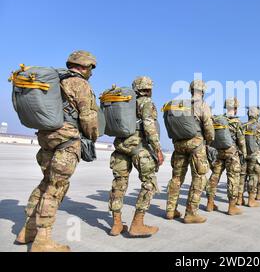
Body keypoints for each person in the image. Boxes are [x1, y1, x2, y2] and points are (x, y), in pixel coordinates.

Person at [16, 50, 99, 252]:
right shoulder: (80, 84)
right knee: (56, 188)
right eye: (91, 68)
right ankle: (42, 241)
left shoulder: (57, 80)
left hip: (47, 139)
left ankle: (28, 230)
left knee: (46, 183)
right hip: (67, 141)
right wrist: (93, 135)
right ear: (86, 67)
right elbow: (88, 117)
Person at [108, 76, 164, 237]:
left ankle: (116, 224)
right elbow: (148, 125)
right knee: (149, 183)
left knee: (118, 184)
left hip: (120, 147)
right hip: (138, 147)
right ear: (148, 89)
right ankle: (137, 224)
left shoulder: (125, 102)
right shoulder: (146, 103)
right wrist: (157, 149)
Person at [165, 80, 214, 224]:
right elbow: (209, 127)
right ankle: (191, 213)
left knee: (176, 178)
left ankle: (170, 210)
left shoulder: (180, 105)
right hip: (196, 145)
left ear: (191, 90)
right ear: (203, 91)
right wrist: (208, 142)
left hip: (179, 145)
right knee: (199, 177)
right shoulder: (203, 105)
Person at [206, 97, 246, 215]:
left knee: (214, 177)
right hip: (232, 153)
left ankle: (210, 203)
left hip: (218, 152)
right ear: (235, 108)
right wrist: (243, 154)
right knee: (233, 178)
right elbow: (241, 141)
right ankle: (232, 207)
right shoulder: (237, 122)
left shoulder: (219, 119)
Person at [242, 107, 260, 206]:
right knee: (253, 176)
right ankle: (251, 200)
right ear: (257, 115)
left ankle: (239, 199)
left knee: (242, 177)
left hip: (242, 155)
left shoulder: (242, 126)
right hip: (254, 155)